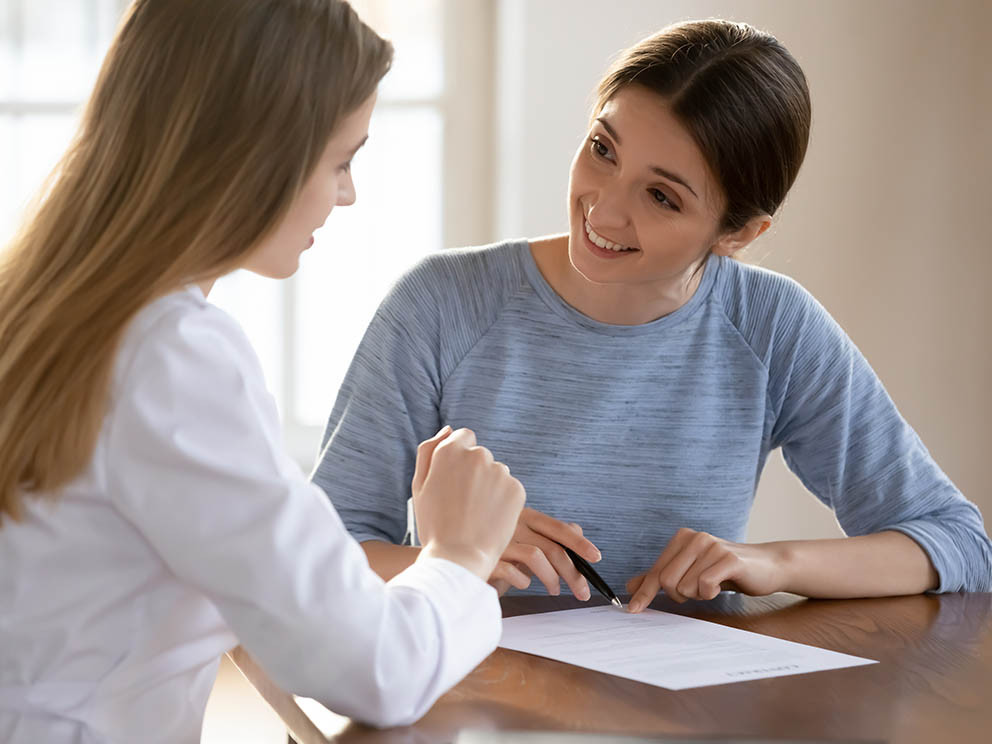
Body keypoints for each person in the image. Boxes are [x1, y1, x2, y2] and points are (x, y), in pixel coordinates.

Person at [313, 19, 992, 613]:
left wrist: (769, 564)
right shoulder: (439, 304)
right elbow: (319, 554)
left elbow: (957, 543)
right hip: (463, 697)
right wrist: (455, 560)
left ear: (738, 233)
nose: (603, 210)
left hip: (679, 710)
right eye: (603, 149)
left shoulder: (771, 326)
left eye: (662, 197)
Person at [0, 1, 526, 742]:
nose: (348, 194)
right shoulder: (172, 354)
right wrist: (460, 552)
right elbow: (375, 670)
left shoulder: (43, 310)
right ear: (256, 157)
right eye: (341, 160)